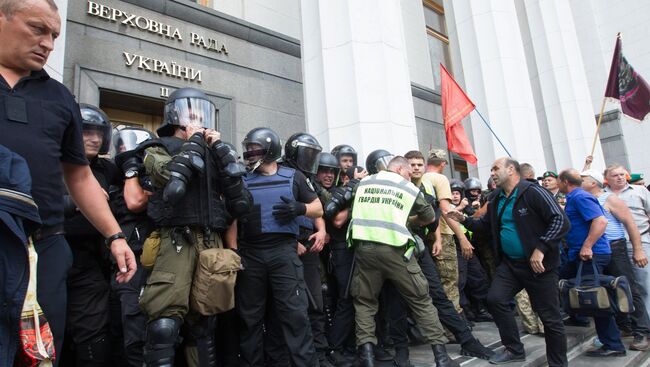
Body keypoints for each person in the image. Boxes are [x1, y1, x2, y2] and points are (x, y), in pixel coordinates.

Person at [0, 1, 136, 364]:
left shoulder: (60, 97)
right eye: (37, 29)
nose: (48, 43)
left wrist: (115, 236)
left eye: (54, 35)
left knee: (40, 356)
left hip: (45, 247)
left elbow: (78, 175)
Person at [138, 87, 251, 367]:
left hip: (211, 241)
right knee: (164, 324)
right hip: (175, 240)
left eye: (201, 112)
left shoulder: (218, 154)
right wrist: (195, 144)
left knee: (204, 322)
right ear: (175, 115)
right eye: (190, 112)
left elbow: (241, 202)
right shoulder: (157, 147)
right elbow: (167, 176)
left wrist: (222, 155)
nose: (197, 117)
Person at [448, 157, 569, 366]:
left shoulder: (533, 192)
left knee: (550, 318)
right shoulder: (496, 198)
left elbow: (560, 221)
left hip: (539, 267)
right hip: (511, 265)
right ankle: (514, 349)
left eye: (496, 168)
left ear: (511, 170)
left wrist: (541, 249)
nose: (492, 172)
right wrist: (465, 220)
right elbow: (485, 226)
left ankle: (558, 363)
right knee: (495, 299)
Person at [345, 156, 458, 367]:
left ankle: (368, 358)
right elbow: (429, 217)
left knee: (365, 304)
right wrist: (406, 220)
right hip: (396, 251)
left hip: (364, 251)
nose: (409, 176)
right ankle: (442, 358)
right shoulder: (407, 187)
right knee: (422, 301)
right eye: (407, 172)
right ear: (398, 169)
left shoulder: (363, 183)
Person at [235, 127, 323, 367]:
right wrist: (233, 251)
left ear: (270, 148)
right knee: (250, 318)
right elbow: (232, 219)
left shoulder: (293, 177)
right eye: (249, 148)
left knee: (295, 315)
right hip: (250, 252)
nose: (250, 153)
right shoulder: (241, 179)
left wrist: (299, 208)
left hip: (283, 252)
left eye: (255, 148)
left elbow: (318, 208)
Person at [62, 104, 121, 366]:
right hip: (50, 255)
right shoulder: (53, 163)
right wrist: (75, 202)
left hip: (90, 264)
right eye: (86, 132)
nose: (94, 138)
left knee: (94, 333)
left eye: (99, 133)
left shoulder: (108, 170)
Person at [558, 169, 626, 357]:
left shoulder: (580, 197)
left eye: (559, 181)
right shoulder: (575, 197)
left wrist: (587, 246)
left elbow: (600, 221)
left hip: (590, 255)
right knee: (570, 287)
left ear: (565, 182)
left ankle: (613, 344)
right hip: (579, 255)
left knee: (596, 299)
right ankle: (586, 323)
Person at [581, 169, 650, 351]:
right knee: (608, 291)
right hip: (598, 251)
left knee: (629, 288)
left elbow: (630, 224)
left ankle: (642, 332)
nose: (580, 181)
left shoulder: (610, 199)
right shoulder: (587, 200)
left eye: (583, 179)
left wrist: (638, 249)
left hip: (615, 247)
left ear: (594, 182)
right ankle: (623, 327)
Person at [109, 126, 157, 366]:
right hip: (113, 265)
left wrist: (132, 171)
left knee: (135, 333)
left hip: (138, 264)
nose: (124, 152)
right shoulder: (111, 177)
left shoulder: (148, 178)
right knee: (115, 332)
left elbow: (135, 202)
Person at [421, 149, 473, 316]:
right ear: (443, 164)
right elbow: (446, 211)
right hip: (442, 235)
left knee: (432, 283)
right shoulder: (440, 178)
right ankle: (454, 327)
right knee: (450, 282)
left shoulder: (420, 178)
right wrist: (462, 237)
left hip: (425, 235)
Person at [605, 164, 650, 313]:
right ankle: (633, 324)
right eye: (615, 175)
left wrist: (639, 249)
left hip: (639, 242)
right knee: (623, 286)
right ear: (607, 179)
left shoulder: (640, 191)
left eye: (622, 174)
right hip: (613, 246)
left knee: (644, 284)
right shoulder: (602, 195)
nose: (620, 177)